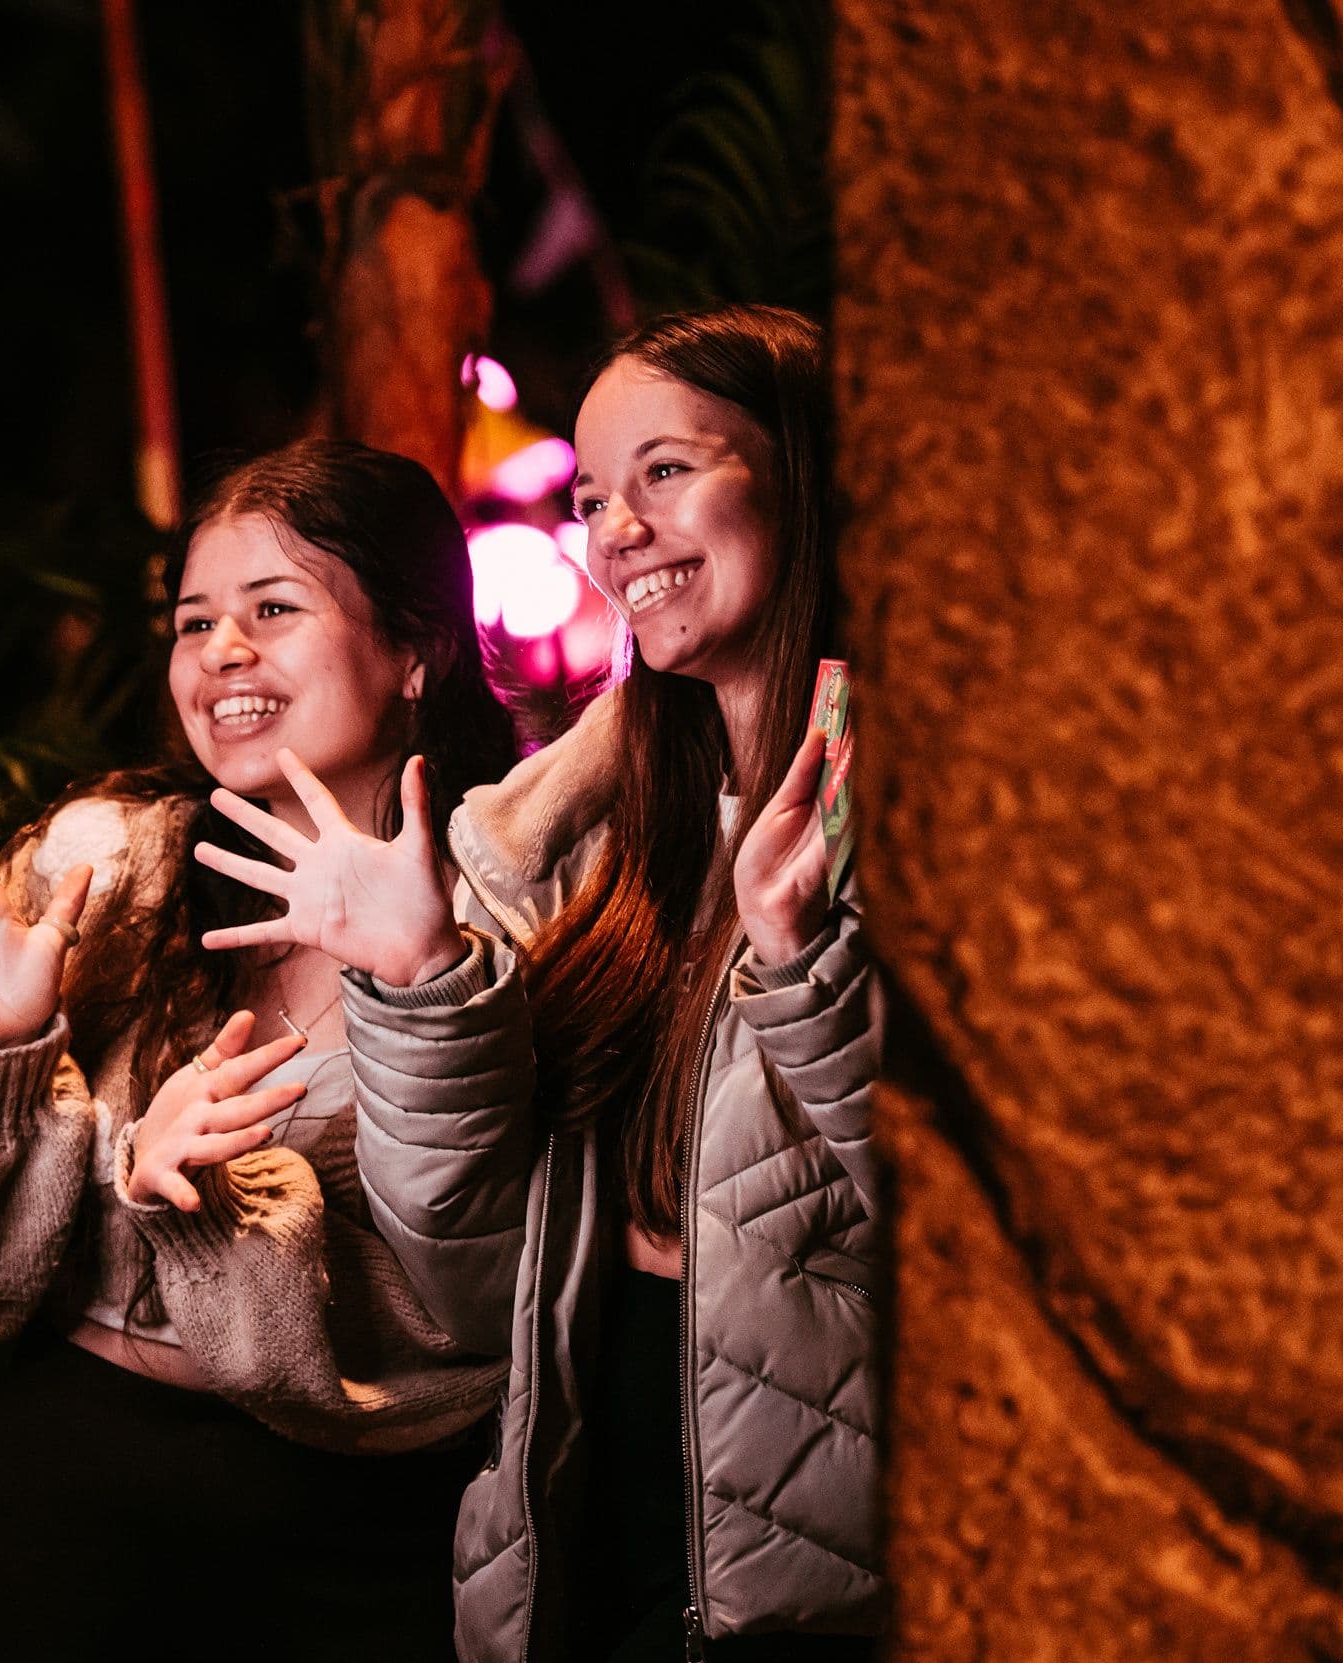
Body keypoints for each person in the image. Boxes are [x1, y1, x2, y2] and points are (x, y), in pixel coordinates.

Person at [194, 306, 882, 1659]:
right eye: (590, 494)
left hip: (836, 1571)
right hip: (584, 1531)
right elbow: (469, 1281)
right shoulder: (581, 843)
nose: (616, 525)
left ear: (804, 472)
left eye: (666, 470)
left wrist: (807, 968)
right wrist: (422, 983)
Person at [0, 439, 521, 1662]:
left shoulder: (516, 912)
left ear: (418, 647)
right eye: (193, 619)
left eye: (273, 608)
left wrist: (213, 1202)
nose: (222, 654)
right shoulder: (107, 868)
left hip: (365, 1534)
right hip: (75, 1492)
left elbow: (499, 1291)